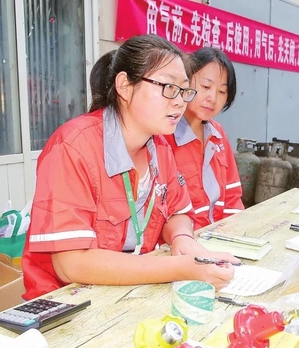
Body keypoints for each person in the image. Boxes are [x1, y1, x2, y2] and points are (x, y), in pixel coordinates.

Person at [22, 34, 239, 300]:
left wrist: (183, 239)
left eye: (184, 90)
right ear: (125, 86)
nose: (180, 101)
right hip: (66, 303)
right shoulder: (73, 147)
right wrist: (180, 267)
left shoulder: (160, 148)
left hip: (132, 293)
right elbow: (70, 264)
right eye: (169, 87)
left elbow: (176, 212)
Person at [165, 47, 244, 230]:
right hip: (178, 243)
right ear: (185, 83)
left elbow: (232, 198)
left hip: (218, 238)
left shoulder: (218, 133)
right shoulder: (164, 135)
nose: (213, 98)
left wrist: (236, 235)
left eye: (222, 92)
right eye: (206, 87)